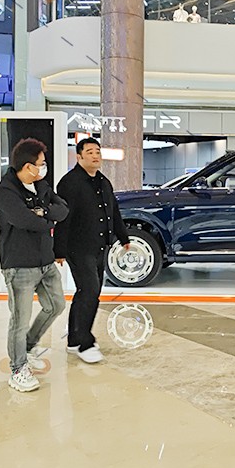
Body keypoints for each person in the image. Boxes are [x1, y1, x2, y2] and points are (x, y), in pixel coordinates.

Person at [0, 138, 68, 392]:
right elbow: (25, 221)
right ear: (28, 166)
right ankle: (18, 369)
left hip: (45, 261)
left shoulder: (41, 185)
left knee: (56, 305)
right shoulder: (6, 192)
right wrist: (46, 218)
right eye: (41, 163)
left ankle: (26, 347)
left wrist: (43, 212)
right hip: (19, 265)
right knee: (20, 319)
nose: (43, 168)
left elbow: (62, 209)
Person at [54, 138, 131, 364]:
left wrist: (123, 237)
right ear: (79, 157)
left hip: (100, 246)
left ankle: (74, 339)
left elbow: (113, 212)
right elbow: (63, 218)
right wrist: (58, 250)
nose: (95, 155)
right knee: (89, 291)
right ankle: (85, 343)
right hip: (78, 248)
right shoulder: (69, 183)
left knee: (87, 293)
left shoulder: (103, 182)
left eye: (98, 151)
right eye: (89, 152)